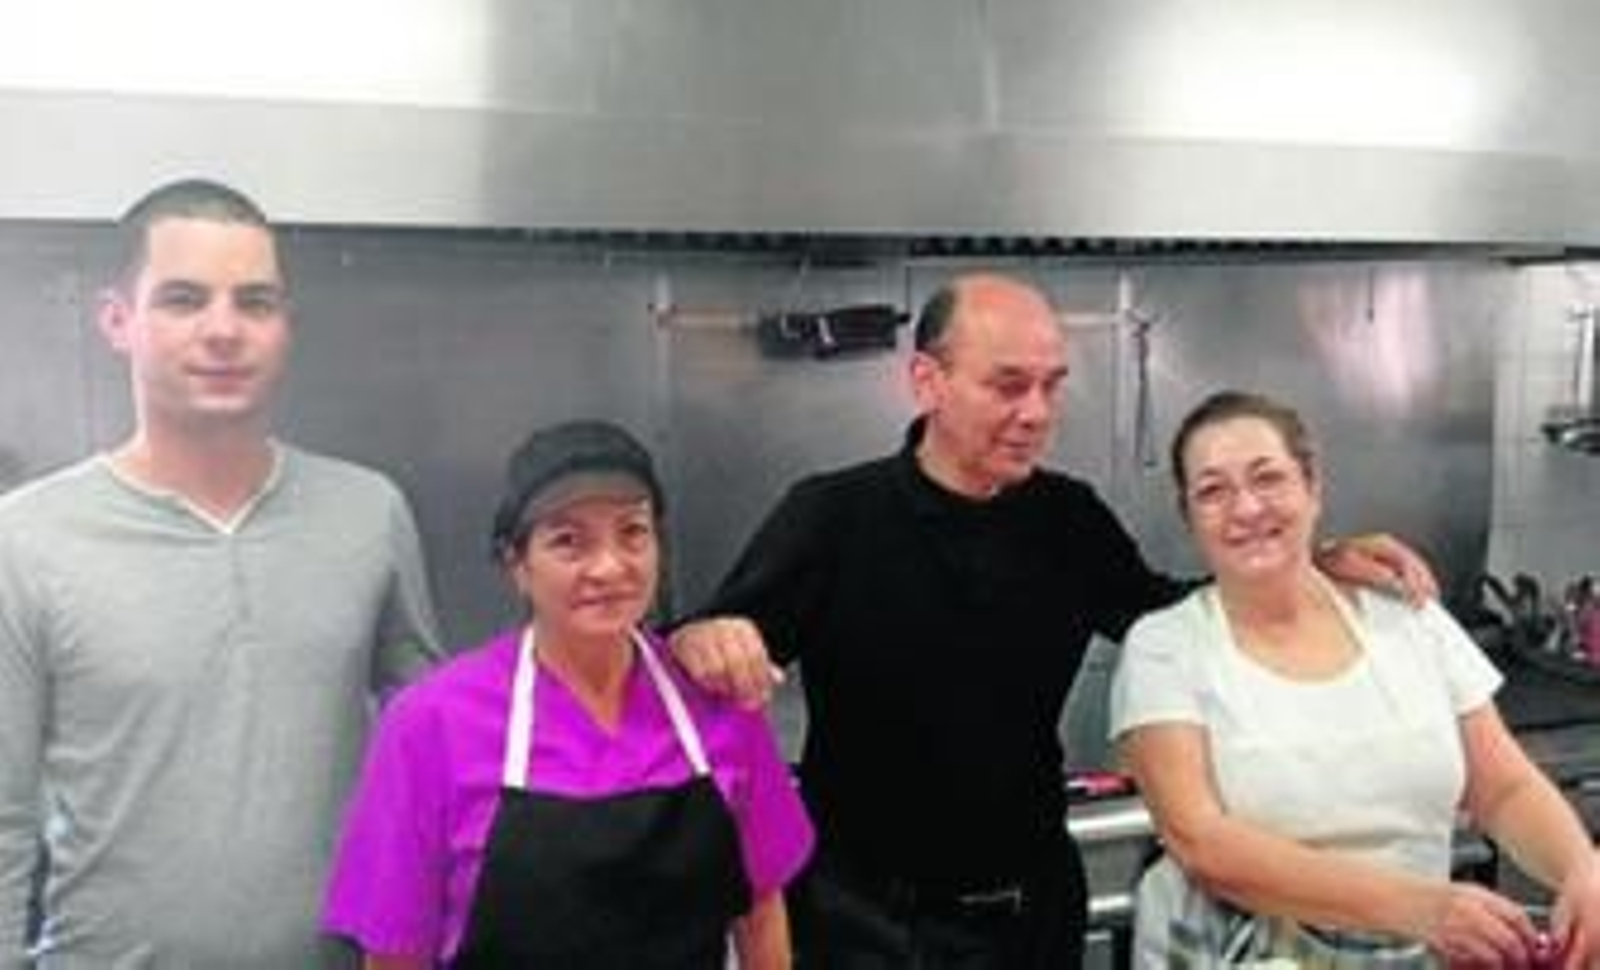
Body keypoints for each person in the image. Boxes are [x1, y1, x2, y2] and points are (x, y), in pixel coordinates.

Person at [670, 273, 1436, 968]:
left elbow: (1171, 613)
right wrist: (705, 638)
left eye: (1051, 386)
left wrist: (1306, 561)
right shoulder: (834, 517)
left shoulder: (1067, 519)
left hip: (1032, 915)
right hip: (863, 923)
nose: (1035, 413)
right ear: (926, 381)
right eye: (1008, 385)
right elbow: (704, 655)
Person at [0, 178, 443, 968]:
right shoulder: (26, 540)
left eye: (255, 302)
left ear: (286, 326)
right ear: (117, 320)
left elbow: (442, 753)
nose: (224, 330)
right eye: (183, 299)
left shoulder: (368, 514)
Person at [1111, 389, 1600, 967]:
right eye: (1213, 491)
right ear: (1190, 517)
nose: (1246, 508)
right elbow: (1204, 845)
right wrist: (1422, 908)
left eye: (1268, 478)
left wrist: (1582, 868)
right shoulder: (1166, 646)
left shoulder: (1408, 616)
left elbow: (1502, 786)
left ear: (1312, 487)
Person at [322, 419, 814, 968]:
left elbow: (761, 914)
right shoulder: (431, 722)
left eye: (632, 532)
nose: (609, 567)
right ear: (517, 564)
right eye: (568, 541)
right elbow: (395, 953)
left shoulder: (718, 701)